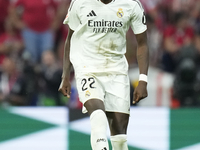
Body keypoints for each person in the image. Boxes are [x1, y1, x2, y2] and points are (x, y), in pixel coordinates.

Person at [59, 0, 149, 149]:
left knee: (119, 139)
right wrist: (65, 76)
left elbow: (143, 43)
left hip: (117, 71)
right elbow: (70, 38)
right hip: (87, 68)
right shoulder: (80, 3)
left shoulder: (131, 4)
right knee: (98, 116)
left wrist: (143, 80)